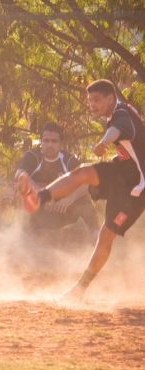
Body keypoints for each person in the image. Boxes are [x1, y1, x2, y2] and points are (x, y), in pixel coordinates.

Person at [18, 79, 145, 302]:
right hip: (121, 171)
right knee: (83, 172)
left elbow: (117, 130)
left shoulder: (121, 113)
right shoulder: (119, 112)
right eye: (90, 101)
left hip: (136, 187)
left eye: (97, 100)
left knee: (106, 235)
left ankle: (79, 289)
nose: (92, 105)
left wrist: (104, 142)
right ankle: (41, 196)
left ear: (110, 98)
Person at [15, 122, 99, 237]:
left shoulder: (68, 160)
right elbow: (20, 176)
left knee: (83, 197)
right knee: (24, 189)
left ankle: (96, 235)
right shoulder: (32, 156)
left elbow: (89, 182)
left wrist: (71, 197)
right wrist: (43, 195)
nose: (49, 145)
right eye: (46, 140)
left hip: (62, 211)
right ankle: (23, 233)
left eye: (54, 141)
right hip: (39, 214)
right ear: (41, 142)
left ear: (61, 144)